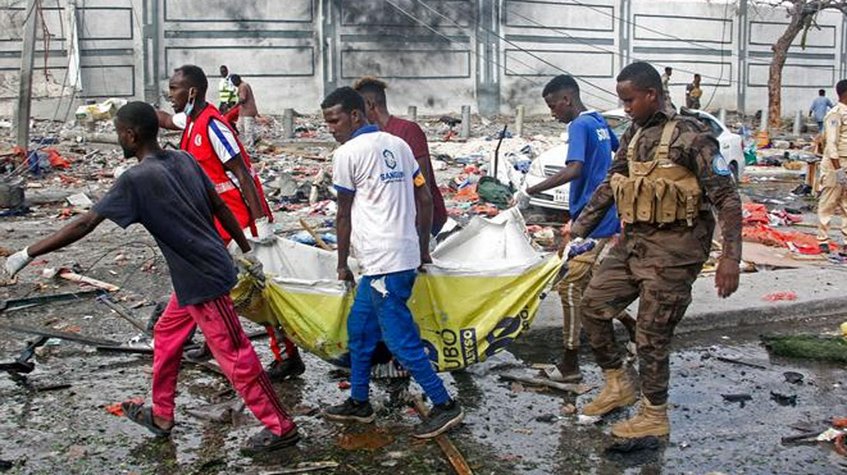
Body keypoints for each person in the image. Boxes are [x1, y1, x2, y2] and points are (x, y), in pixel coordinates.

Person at [3, 102, 299, 454]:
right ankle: (161, 415)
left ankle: (281, 428)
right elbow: (219, 207)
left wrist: (27, 253)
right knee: (167, 335)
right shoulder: (184, 159)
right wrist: (244, 249)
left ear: (131, 134)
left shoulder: (136, 179)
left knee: (235, 355)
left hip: (204, 279)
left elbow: (84, 224)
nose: (118, 140)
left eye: (118, 134)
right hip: (195, 275)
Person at [570, 62, 742, 438]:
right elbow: (610, 184)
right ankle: (618, 384)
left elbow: (727, 198)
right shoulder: (633, 135)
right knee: (593, 306)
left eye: (629, 99)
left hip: (677, 251)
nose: (626, 106)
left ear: (651, 95)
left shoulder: (692, 137)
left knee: (652, 333)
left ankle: (654, 414)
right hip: (633, 244)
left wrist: (730, 258)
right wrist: (578, 228)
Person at [320, 87, 463, 439]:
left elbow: (343, 214)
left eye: (334, 120)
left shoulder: (347, 153)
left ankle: (444, 405)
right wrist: (422, 245)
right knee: (359, 329)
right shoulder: (398, 145)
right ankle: (358, 402)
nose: (330, 128)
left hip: (382, 261)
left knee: (400, 341)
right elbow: (425, 196)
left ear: (355, 115)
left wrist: (341, 263)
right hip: (397, 257)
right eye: (325, 122)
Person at [158, 64, 305, 381]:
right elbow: (166, 120)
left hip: (240, 220)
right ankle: (215, 341)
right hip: (217, 220)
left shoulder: (214, 125)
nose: (170, 95)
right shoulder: (192, 123)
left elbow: (242, 172)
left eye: (174, 89)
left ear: (192, 91)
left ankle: (288, 356)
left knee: (255, 293)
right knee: (214, 287)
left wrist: (260, 223)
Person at [512, 74, 636, 383]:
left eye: (553, 106)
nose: (553, 113)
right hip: (599, 214)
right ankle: (633, 329)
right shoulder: (598, 120)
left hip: (592, 221)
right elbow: (622, 152)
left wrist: (530, 190)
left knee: (568, 287)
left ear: (566, 100)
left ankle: (570, 364)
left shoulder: (579, 125)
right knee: (589, 283)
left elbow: (574, 168)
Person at [352, 76, 448, 236]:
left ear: (369, 105)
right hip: (392, 224)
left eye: (358, 110)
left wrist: (419, 233)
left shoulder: (408, 131)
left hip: (420, 222)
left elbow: (422, 184)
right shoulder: (370, 137)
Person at [817, 80, 847, 252]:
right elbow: (832, 144)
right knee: (829, 201)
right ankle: (823, 240)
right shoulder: (834, 114)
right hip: (835, 163)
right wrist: (838, 169)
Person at [231, 74, 258, 148]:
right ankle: (242, 144)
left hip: (248, 111)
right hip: (243, 111)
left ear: (237, 80)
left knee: (248, 129)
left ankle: (250, 145)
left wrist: (233, 107)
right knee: (239, 128)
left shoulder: (243, 86)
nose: (233, 84)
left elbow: (242, 99)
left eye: (233, 82)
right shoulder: (243, 85)